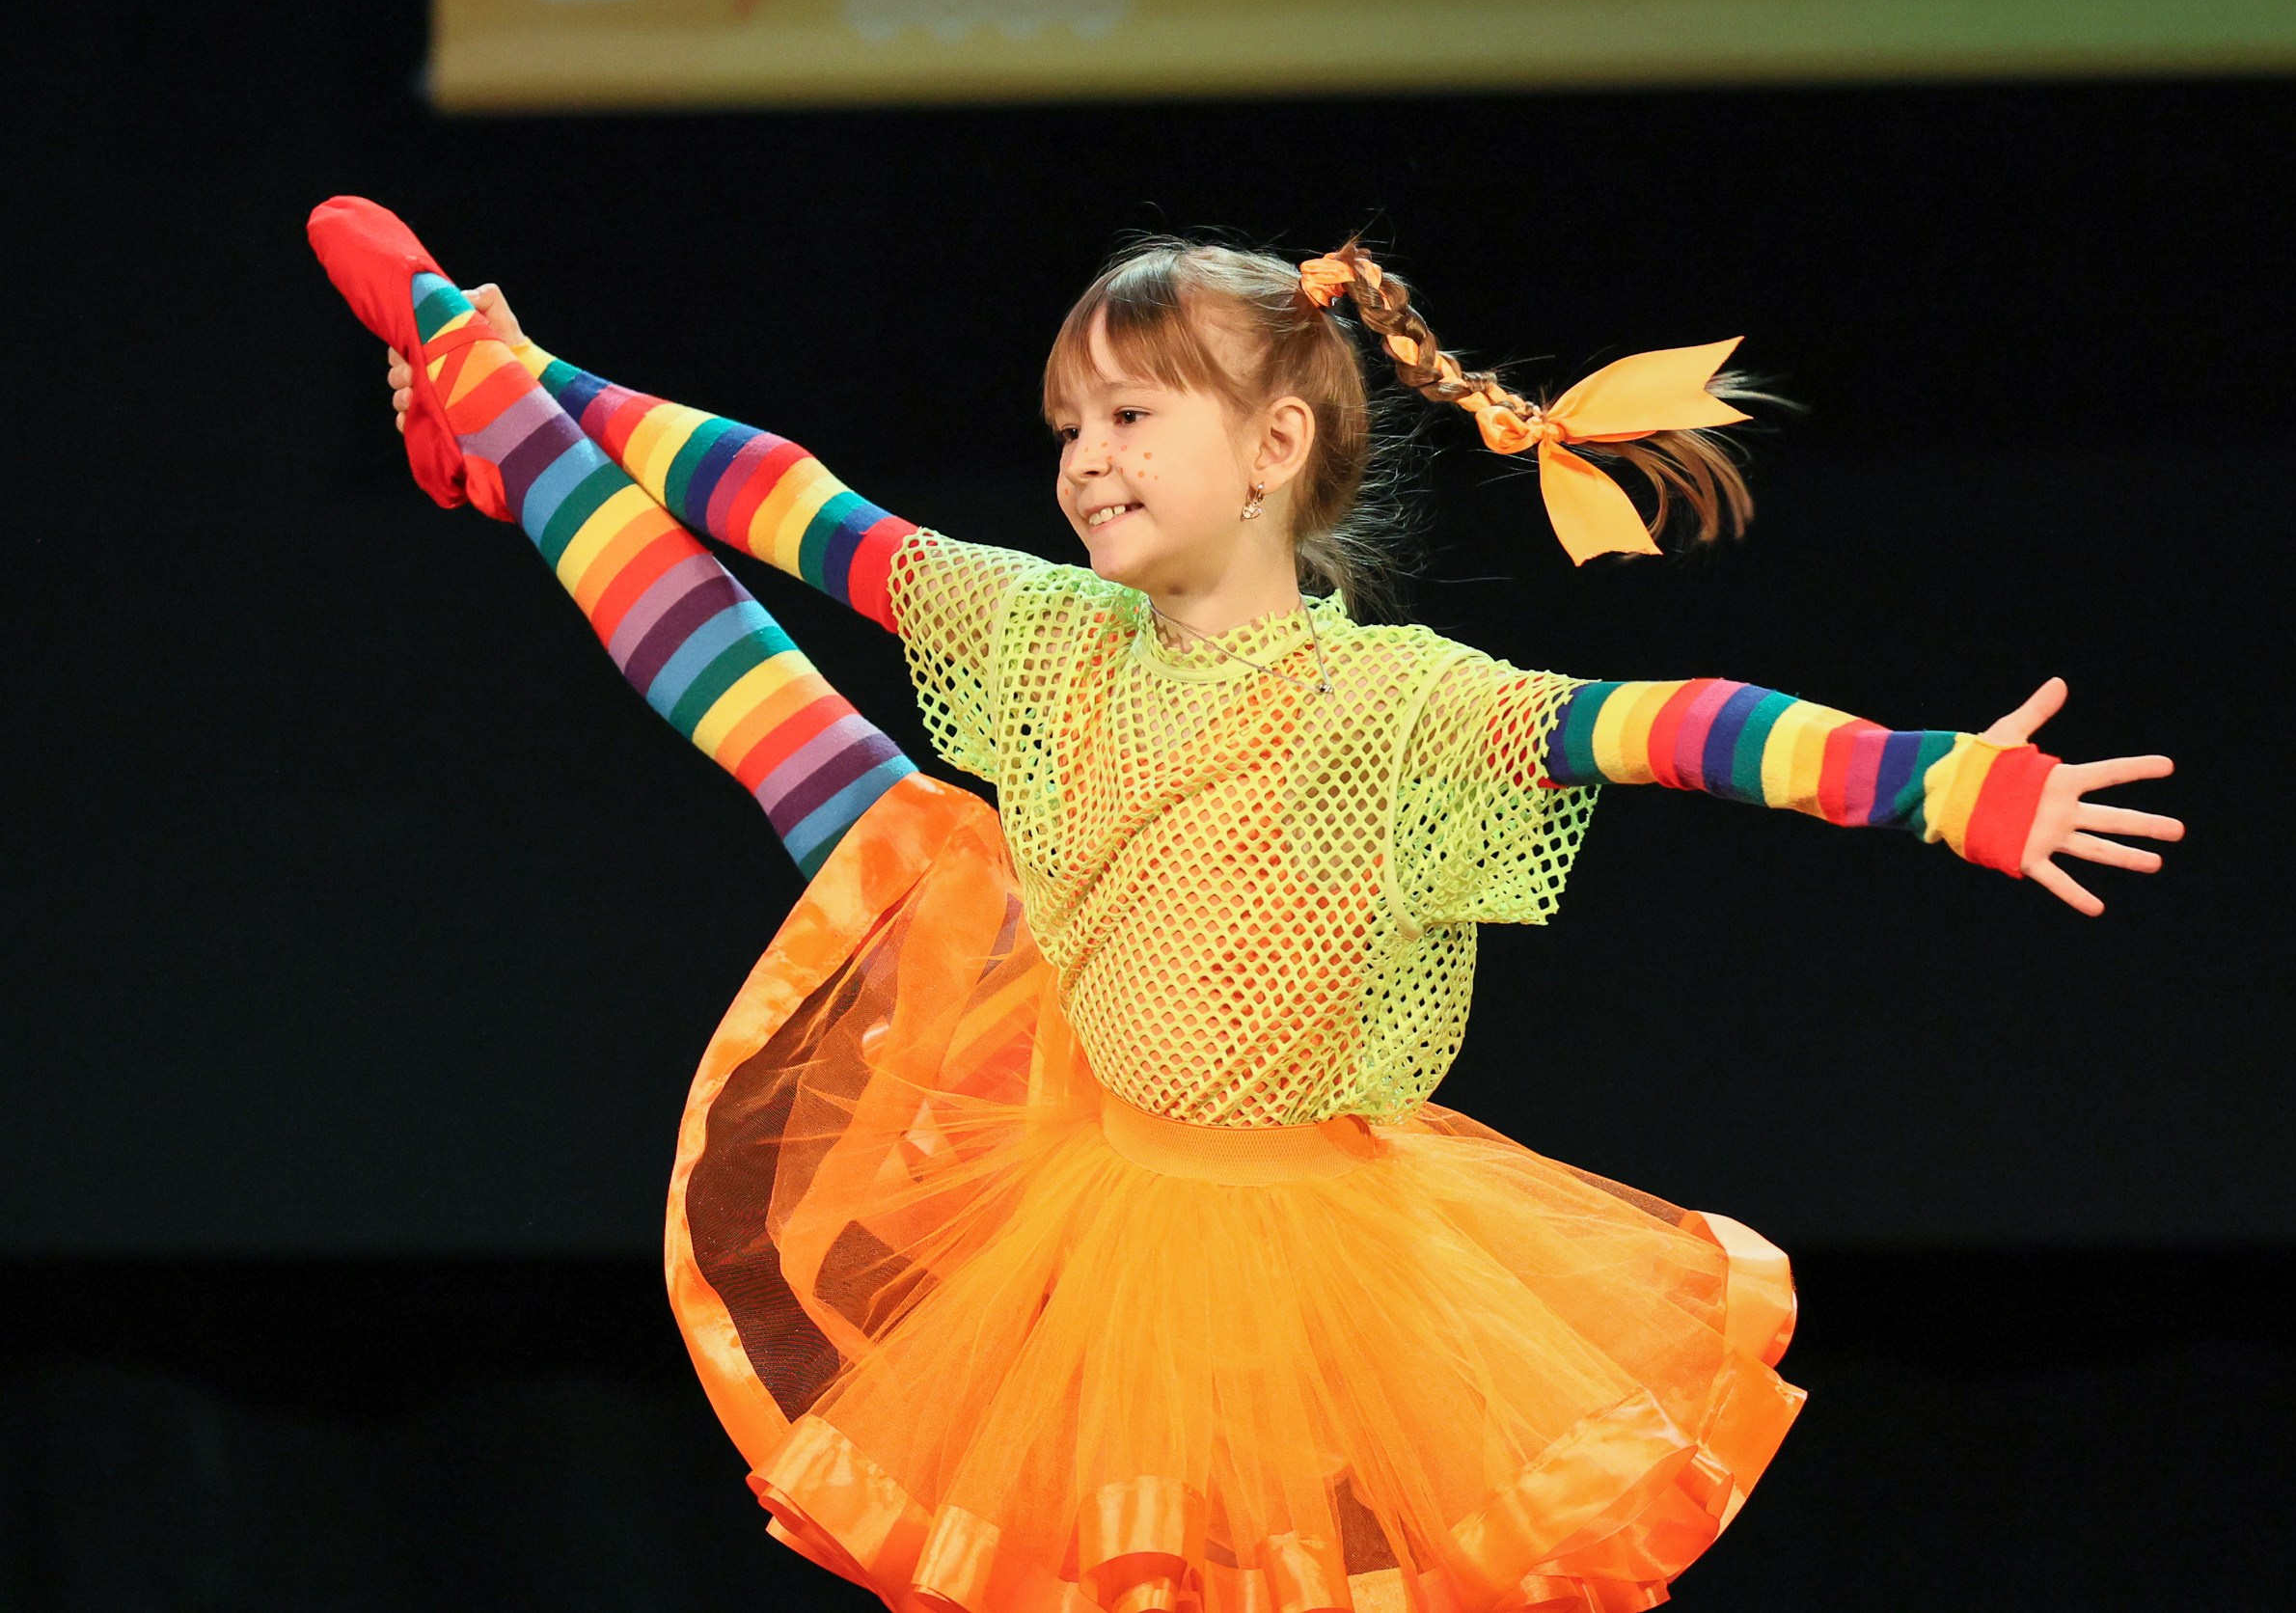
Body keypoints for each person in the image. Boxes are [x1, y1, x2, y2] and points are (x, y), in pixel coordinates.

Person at [311, 197, 2179, 1613]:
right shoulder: (1049, 630)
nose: (1080, 458)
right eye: (1065, 424)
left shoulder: (1404, 704)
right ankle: (493, 403)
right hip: (1047, 1097)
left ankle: (491, 405)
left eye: (1127, 414)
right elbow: (798, 509)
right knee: (798, 743)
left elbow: (1668, 727)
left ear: (1274, 451)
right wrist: (553, 378)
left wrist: (1941, 782)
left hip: (1302, 1240)